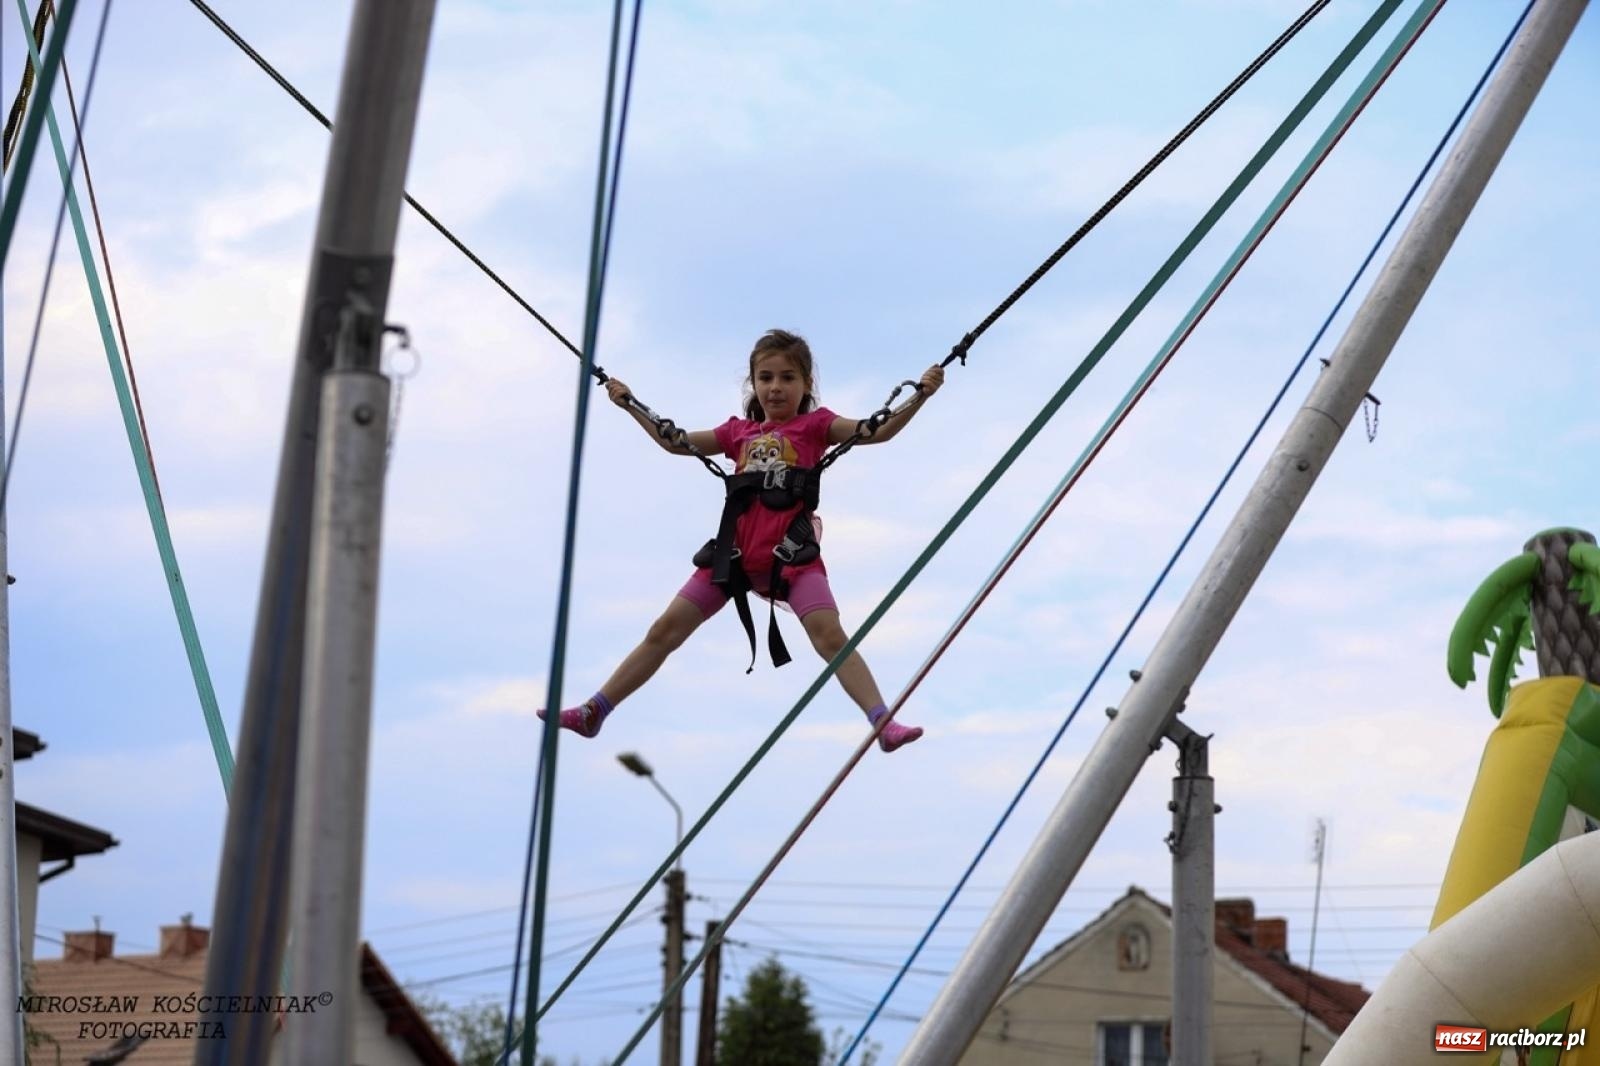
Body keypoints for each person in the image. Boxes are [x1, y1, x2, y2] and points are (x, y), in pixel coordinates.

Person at [539, 329, 943, 753]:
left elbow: (875, 431)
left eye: (787, 378)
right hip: (733, 557)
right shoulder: (737, 433)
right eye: (766, 378)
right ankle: (595, 711)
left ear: (806, 384)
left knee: (829, 635)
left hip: (790, 558)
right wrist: (629, 404)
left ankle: (882, 722)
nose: (775, 388)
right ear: (754, 383)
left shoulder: (816, 426)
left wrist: (921, 396)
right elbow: (673, 442)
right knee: (663, 630)